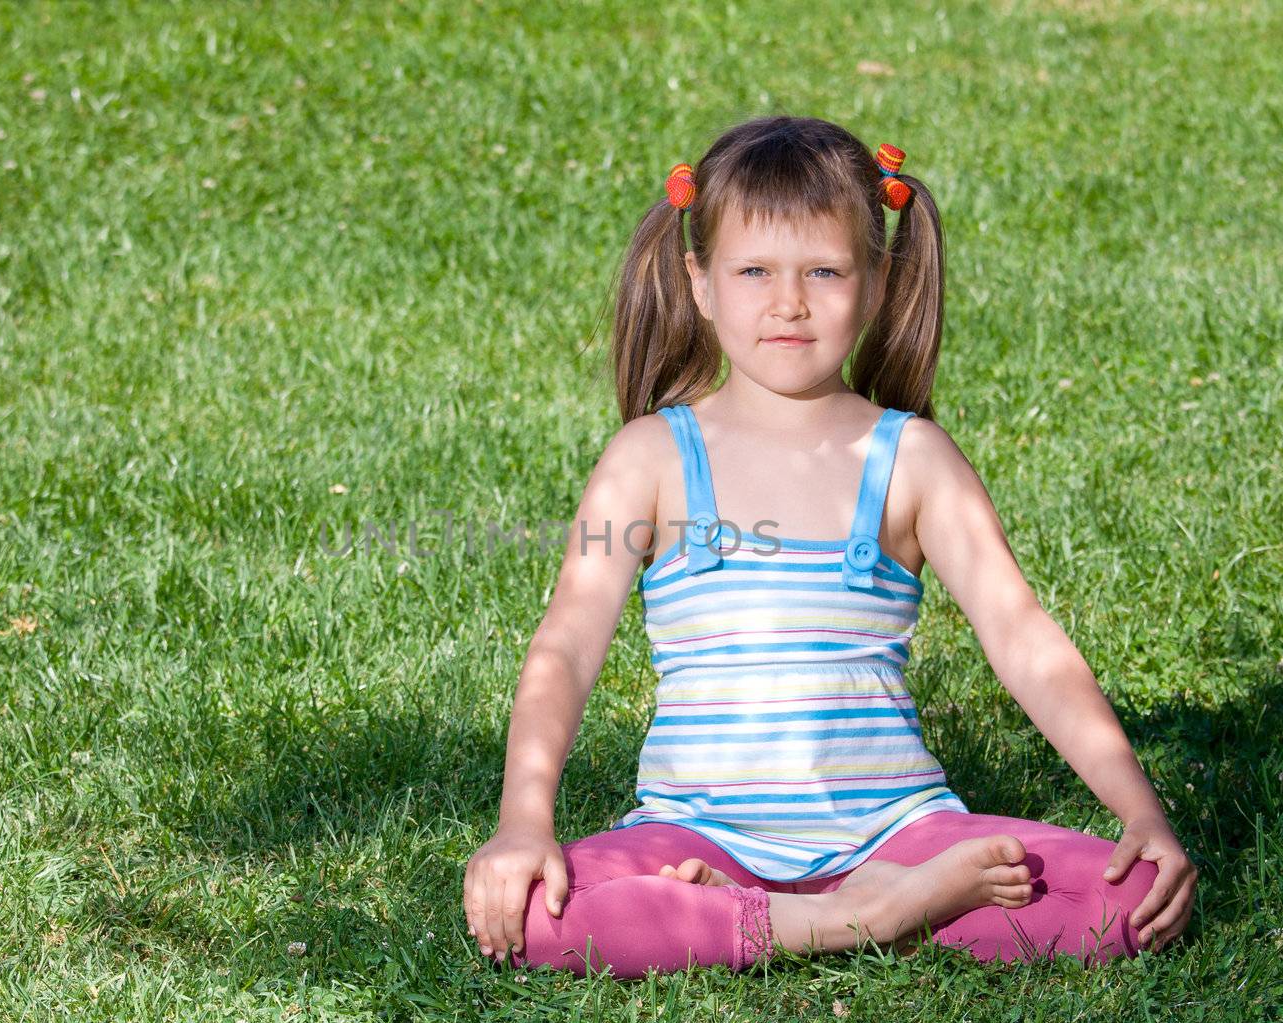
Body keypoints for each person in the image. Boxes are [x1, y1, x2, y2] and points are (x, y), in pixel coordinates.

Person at [461, 115, 1198, 979]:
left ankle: (770, 917)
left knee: (1133, 898)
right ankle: (861, 917)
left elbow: (1023, 639)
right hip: (699, 831)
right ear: (699, 282)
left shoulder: (911, 459)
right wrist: (523, 823)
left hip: (899, 829)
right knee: (531, 920)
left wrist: (1138, 808)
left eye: (823, 270)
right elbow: (567, 645)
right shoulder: (649, 459)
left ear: (876, 281)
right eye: (754, 271)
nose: (789, 302)